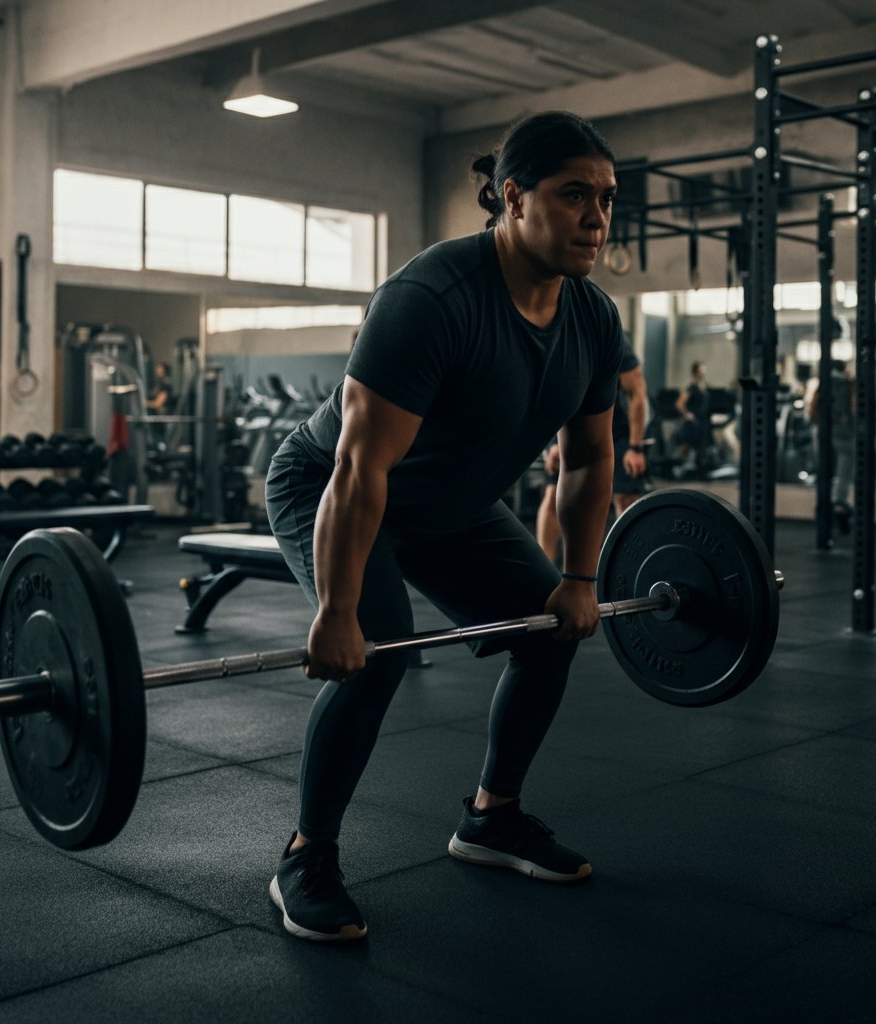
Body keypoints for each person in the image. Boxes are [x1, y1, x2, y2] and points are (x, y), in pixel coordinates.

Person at [264, 111, 622, 942]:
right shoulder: (430, 299)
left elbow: (590, 459)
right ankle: (305, 854)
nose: (597, 218)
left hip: (453, 506)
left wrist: (577, 578)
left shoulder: (593, 320)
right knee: (377, 650)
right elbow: (359, 469)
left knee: (548, 630)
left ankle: (492, 820)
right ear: (512, 198)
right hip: (333, 485)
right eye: (574, 196)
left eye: (606, 198)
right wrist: (338, 613)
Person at [536, 337, 648, 562]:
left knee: (626, 497)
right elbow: (543, 391)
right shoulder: (551, 336)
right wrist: (554, 442)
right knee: (552, 496)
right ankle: (542, 569)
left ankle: (629, 569)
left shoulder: (610, 336)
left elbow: (637, 391)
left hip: (611, 428)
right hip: (564, 422)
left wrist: (635, 447)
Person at [809, 360, 855, 533]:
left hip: (824, 433)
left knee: (824, 470)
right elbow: (855, 407)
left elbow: (812, 409)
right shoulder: (848, 384)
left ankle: (823, 504)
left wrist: (820, 425)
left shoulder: (824, 384)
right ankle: (839, 504)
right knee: (844, 470)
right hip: (845, 433)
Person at [675, 361, 710, 471]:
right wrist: (687, 414)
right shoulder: (692, 387)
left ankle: (698, 469)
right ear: (696, 372)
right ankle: (677, 468)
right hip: (693, 422)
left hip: (702, 421)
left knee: (700, 446)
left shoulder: (703, 387)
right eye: (701, 370)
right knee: (687, 445)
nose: (703, 372)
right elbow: (679, 403)